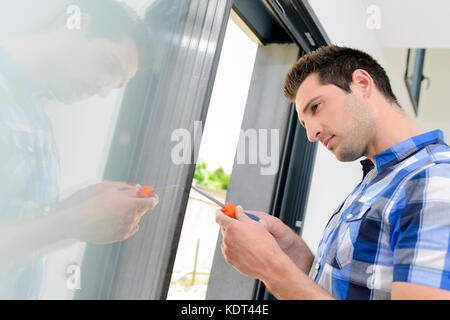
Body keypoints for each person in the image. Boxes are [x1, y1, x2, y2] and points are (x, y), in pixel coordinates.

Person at [216, 45, 450, 300]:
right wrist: (291, 252)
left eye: (315, 107)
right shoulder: (379, 178)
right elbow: (354, 289)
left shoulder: (433, 179)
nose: (310, 133)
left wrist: (271, 267)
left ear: (361, 84)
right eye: (304, 123)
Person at [0, 0, 158, 298]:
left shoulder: (38, 123)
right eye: (109, 65)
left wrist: (71, 211)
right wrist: (70, 222)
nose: (101, 89)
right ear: (75, 24)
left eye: (114, 84)